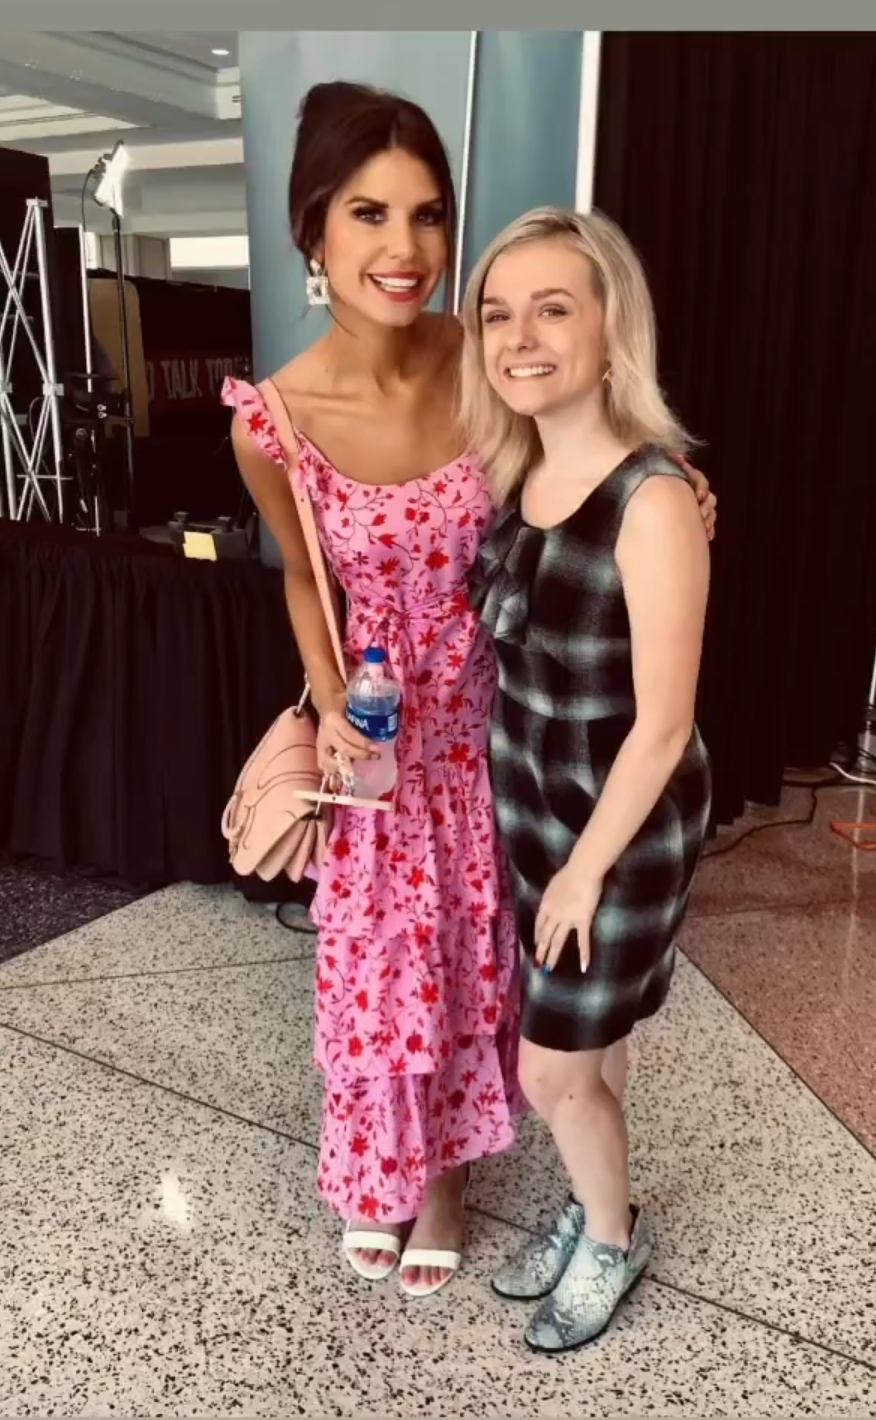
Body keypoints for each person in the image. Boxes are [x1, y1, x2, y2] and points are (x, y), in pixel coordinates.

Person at [223, 82, 717, 1300]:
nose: (404, 248)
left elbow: (590, 465)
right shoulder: (273, 418)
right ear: (312, 228)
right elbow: (302, 575)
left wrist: (676, 494)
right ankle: (384, 1169)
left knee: (476, 960)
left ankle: (448, 1179)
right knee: (376, 964)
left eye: (428, 214)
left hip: (499, 725)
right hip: (380, 735)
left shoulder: (486, 359)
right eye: (368, 213)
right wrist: (327, 697)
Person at [462, 207, 713, 1352]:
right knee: (593, 1051)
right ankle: (593, 1197)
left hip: (614, 834)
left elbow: (663, 728)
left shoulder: (651, 500)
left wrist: (581, 874)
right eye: (498, 313)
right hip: (539, 820)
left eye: (552, 308)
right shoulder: (518, 475)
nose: (519, 337)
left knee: (550, 1074)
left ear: (611, 326)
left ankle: (611, 1238)